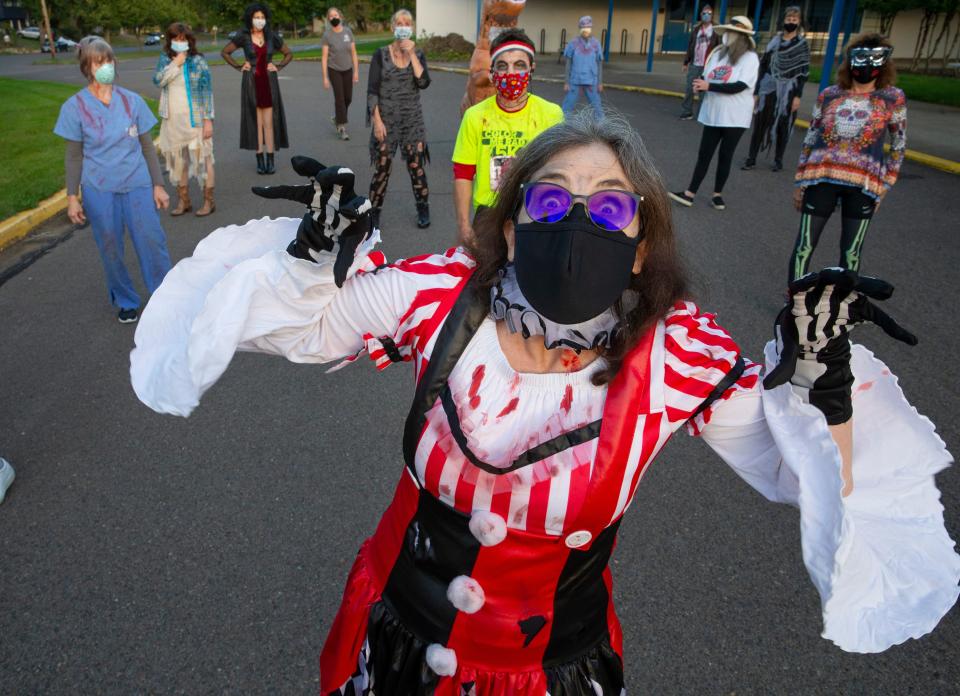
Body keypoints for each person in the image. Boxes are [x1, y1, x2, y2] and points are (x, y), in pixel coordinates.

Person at [131, 113, 958, 694]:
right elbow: (301, 329)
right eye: (552, 199)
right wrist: (311, 261)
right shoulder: (442, 296)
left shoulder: (675, 353)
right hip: (392, 641)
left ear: (640, 247)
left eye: (608, 206)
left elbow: (805, 479)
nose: (577, 218)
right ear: (517, 227)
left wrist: (825, 386)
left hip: (552, 675)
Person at [54, 37, 172, 324]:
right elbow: (74, 157)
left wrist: (158, 184)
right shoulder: (74, 107)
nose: (105, 66)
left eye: (108, 60)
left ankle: (165, 297)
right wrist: (72, 197)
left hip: (138, 184)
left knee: (152, 242)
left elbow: (147, 146)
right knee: (110, 248)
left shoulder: (131, 101)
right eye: (98, 61)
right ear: (87, 66)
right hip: (100, 189)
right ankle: (125, 300)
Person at [789, 34, 906, 282]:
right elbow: (811, 137)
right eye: (860, 57)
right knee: (804, 246)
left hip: (863, 185)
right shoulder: (829, 95)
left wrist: (886, 183)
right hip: (821, 178)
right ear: (850, 59)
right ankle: (795, 300)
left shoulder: (892, 98)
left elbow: (898, 143)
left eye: (874, 59)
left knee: (851, 251)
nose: (865, 66)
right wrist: (800, 181)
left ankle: (844, 305)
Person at [452, 28, 563, 243]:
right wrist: (464, 226)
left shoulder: (551, 114)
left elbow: (561, 172)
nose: (511, 73)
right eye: (502, 66)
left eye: (519, 65)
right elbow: (463, 173)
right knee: (485, 274)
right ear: (492, 71)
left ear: (532, 68)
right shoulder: (475, 116)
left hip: (536, 212)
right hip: (489, 215)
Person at [669, 16, 759, 210]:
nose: (727, 36)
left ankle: (717, 195)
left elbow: (740, 86)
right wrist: (699, 85)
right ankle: (689, 193)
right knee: (704, 154)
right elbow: (706, 74)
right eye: (727, 31)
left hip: (735, 117)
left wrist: (709, 85)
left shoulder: (750, 58)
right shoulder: (718, 53)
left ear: (742, 36)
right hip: (713, 113)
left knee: (725, 155)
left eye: (732, 32)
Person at [367, 9, 432, 228]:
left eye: (407, 23)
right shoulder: (380, 54)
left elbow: (423, 82)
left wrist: (412, 54)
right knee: (383, 166)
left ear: (411, 28)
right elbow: (372, 90)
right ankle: (373, 212)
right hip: (386, 121)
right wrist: (376, 121)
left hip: (412, 121)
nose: (403, 26)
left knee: (416, 166)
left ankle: (423, 207)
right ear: (393, 27)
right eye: (399, 23)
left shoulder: (418, 54)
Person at [221, 2, 292, 175]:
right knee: (256, 121)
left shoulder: (271, 37)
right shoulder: (243, 36)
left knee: (269, 123)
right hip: (251, 81)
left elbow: (288, 53)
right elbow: (225, 52)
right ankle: (259, 159)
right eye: (256, 17)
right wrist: (239, 67)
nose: (260, 20)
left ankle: (270, 159)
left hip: (269, 82)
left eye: (262, 17)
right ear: (250, 18)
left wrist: (278, 66)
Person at [153, 22, 216, 217]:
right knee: (178, 161)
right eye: (176, 39)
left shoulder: (198, 61)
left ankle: (208, 201)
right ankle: (184, 200)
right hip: (172, 121)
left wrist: (208, 120)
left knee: (205, 159)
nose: (180, 43)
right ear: (170, 41)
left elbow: (207, 92)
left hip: (196, 120)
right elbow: (158, 80)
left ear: (189, 40)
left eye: (183, 39)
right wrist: (175, 64)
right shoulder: (165, 60)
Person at [742, 6, 810, 172]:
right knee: (760, 125)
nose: (791, 22)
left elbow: (803, 73)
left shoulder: (801, 45)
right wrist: (758, 91)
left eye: (794, 20)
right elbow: (763, 66)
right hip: (768, 89)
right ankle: (751, 158)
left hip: (789, 92)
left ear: (799, 22)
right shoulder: (774, 42)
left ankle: (778, 159)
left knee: (783, 126)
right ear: (783, 21)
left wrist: (797, 96)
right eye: (788, 19)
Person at [321, 7, 359, 141]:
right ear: (328, 19)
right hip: (334, 70)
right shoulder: (327, 35)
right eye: (330, 16)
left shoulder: (348, 32)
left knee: (348, 98)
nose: (333, 18)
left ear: (340, 16)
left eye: (335, 15)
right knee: (340, 99)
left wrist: (356, 72)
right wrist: (325, 77)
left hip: (348, 69)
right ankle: (342, 127)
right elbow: (324, 57)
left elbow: (353, 53)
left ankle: (338, 117)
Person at [680, 4, 720, 120]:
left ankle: (702, 114)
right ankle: (687, 112)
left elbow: (719, 48)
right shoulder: (696, 29)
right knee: (689, 89)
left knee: (703, 91)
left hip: (708, 66)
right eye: (704, 13)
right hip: (694, 64)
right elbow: (690, 46)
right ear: (701, 15)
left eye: (709, 13)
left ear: (712, 15)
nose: (706, 15)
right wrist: (685, 62)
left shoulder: (716, 30)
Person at [562, 15, 604, 119]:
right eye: (584, 28)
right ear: (580, 29)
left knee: (597, 108)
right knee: (567, 107)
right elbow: (568, 63)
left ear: (591, 28)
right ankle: (561, 128)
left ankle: (602, 129)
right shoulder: (573, 44)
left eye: (588, 28)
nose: (586, 30)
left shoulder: (596, 44)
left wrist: (600, 82)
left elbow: (599, 64)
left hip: (592, 81)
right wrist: (566, 82)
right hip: (575, 80)